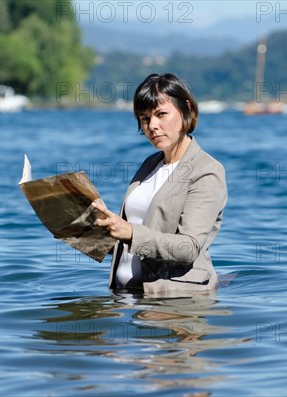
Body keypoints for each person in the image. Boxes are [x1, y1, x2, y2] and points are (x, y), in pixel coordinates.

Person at [92, 73, 227, 295]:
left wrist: (129, 232)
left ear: (187, 111)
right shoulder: (150, 164)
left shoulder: (207, 170)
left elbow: (189, 248)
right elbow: (131, 237)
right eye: (144, 118)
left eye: (161, 114)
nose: (152, 125)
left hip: (175, 301)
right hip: (126, 298)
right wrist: (84, 230)